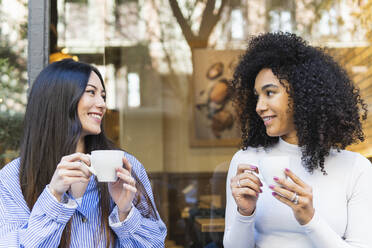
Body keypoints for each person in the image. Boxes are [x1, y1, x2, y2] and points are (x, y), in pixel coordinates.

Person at [223, 32, 372, 248]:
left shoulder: (355, 168)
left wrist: (310, 219)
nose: (259, 106)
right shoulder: (246, 162)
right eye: (257, 96)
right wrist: (245, 213)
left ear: (303, 94)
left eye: (270, 93)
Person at [0, 59, 167, 247]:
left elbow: (156, 244)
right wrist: (54, 196)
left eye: (103, 95)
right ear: (59, 98)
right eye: (91, 92)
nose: (102, 104)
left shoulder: (126, 166)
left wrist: (125, 212)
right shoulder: (13, 178)